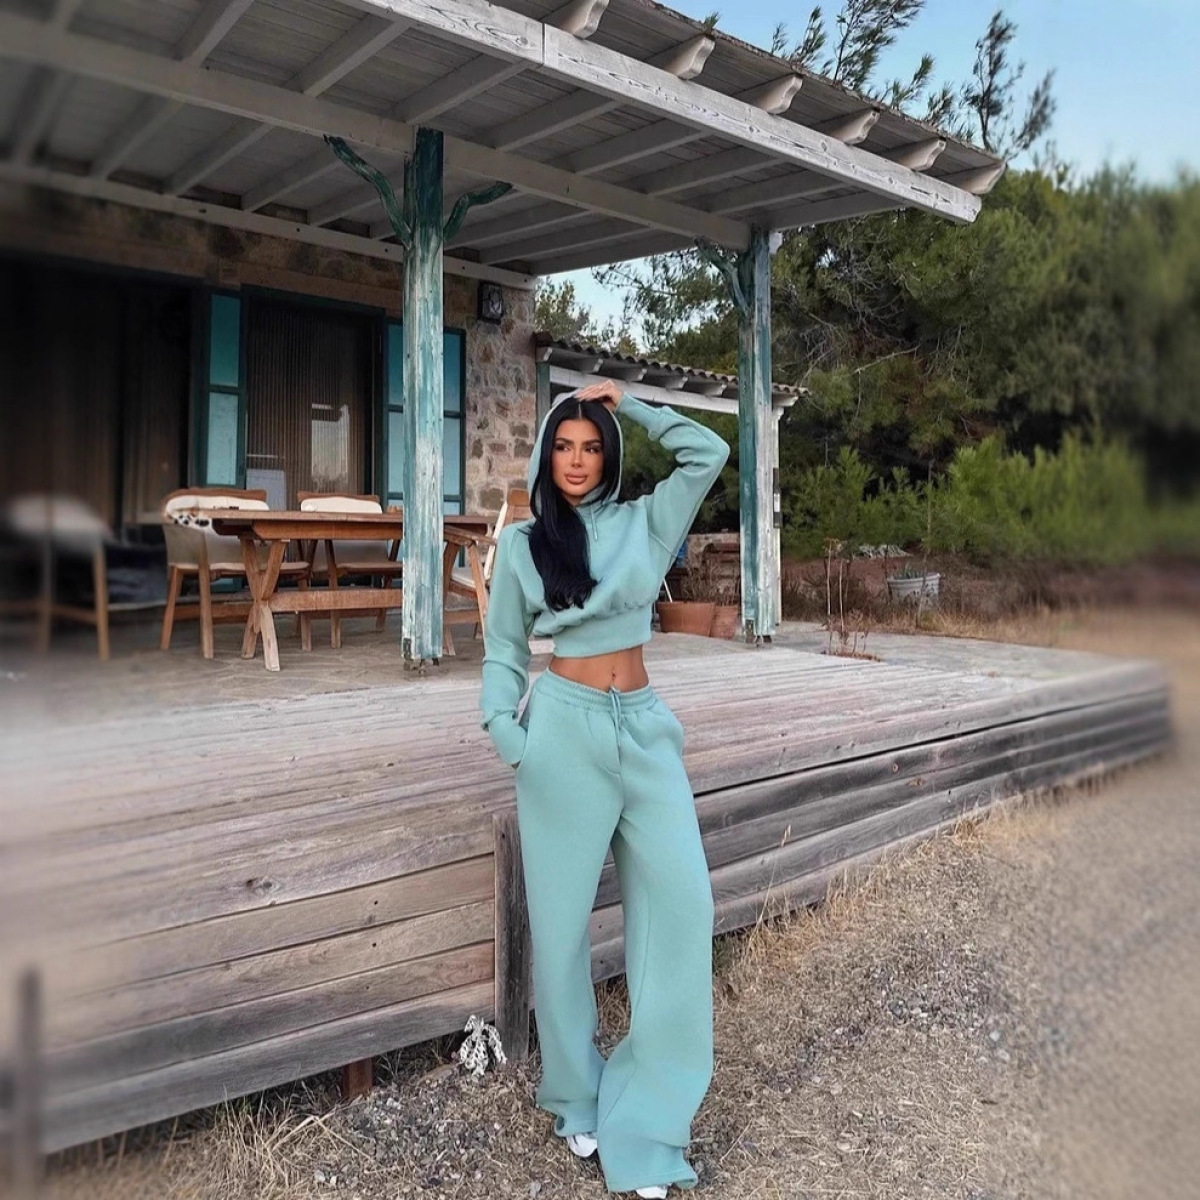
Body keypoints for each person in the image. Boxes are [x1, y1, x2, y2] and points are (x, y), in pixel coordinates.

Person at [478, 378, 731, 1197]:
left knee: (685, 905)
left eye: (591, 446)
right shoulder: (525, 545)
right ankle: (574, 1096)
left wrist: (636, 406)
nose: (577, 460)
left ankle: (649, 1124)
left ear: (610, 454)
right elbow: (503, 649)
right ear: (545, 456)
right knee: (559, 935)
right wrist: (509, 734)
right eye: (563, 445)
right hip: (562, 733)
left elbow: (709, 452)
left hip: (646, 732)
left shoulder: (645, 522)